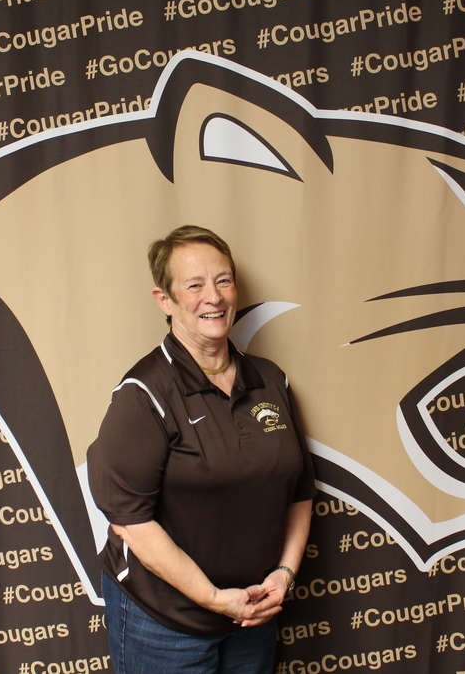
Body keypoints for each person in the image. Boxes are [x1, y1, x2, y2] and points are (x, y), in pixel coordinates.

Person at [87, 225, 316, 674]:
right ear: (165, 301)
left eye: (223, 280)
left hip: (253, 611)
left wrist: (283, 576)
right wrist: (213, 599)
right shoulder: (144, 394)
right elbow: (130, 522)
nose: (213, 296)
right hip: (165, 622)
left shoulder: (271, 380)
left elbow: (300, 492)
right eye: (194, 285)